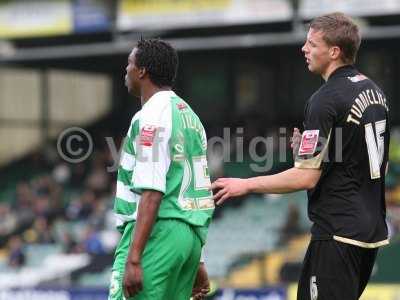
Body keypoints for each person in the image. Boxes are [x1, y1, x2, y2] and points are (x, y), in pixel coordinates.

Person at [212, 12, 390, 300]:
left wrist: (245, 184)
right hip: (369, 232)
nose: (304, 49)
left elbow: (306, 177)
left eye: (311, 43)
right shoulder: (375, 91)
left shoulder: (325, 99)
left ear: (334, 52)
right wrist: (309, 154)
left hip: (337, 232)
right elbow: (363, 158)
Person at [109, 38, 214, 300]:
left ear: (142, 71)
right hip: (187, 237)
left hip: (155, 234)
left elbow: (153, 191)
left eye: (129, 64)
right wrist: (197, 258)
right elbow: (191, 192)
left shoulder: (151, 117)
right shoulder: (191, 117)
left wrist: (134, 259)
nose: (126, 70)